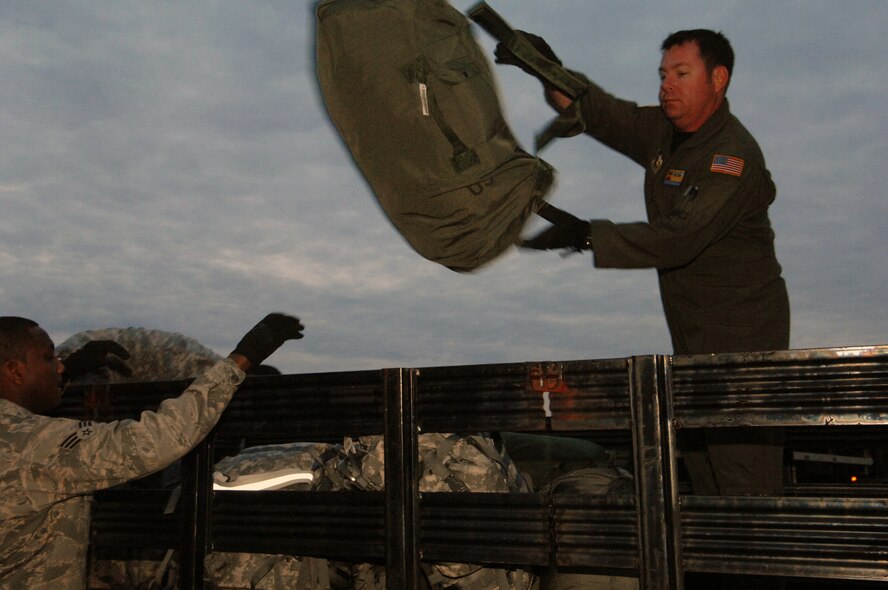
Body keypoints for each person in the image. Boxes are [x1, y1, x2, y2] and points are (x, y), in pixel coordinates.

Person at [498, 28, 789, 499]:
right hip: (692, 332)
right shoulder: (666, 132)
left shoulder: (731, 158)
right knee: (702, 476)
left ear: (719, 79)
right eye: (662, 74)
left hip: (743, 341)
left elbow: (680, 237)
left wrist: (589, 233)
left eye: (680, 73)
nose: (666, 85)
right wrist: (547, 69)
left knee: (743, 484)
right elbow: (604, 114)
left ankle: (759, 572)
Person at [0, 313, 304, 589]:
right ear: (14, 371)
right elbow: (156, 439)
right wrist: (241, 360)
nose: (60, 364)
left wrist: (65, 373)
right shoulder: (33, 444)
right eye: (48, 358)